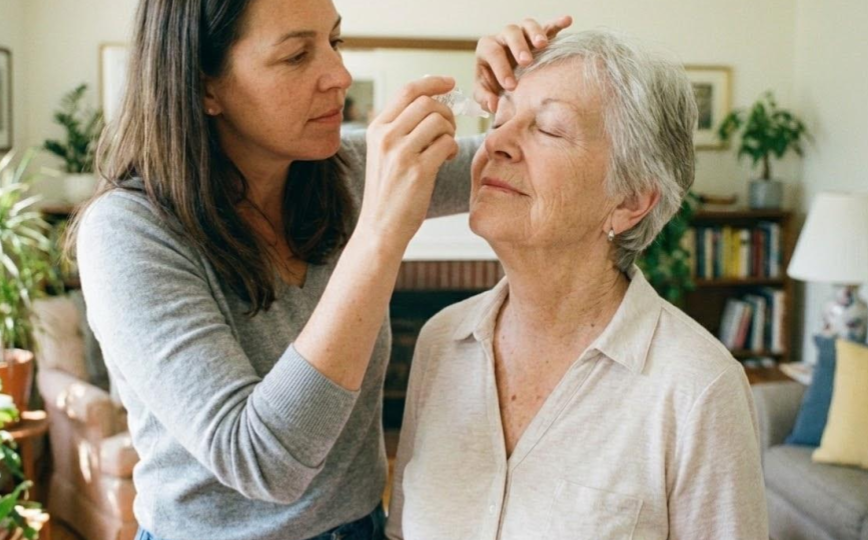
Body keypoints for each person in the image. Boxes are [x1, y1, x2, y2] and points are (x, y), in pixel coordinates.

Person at [69, 0, 570, 538]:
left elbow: (517, 164)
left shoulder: (344, 171)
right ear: (205, 86)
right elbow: (262, 463)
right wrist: (379, 232)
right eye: (295, 56)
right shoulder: (127, 231)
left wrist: (520, 95)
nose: (340, 76)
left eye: (335, 42)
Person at [386, 30, 769, 540]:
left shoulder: (698, 387)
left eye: (548, 129)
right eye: (498, 120)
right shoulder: (441, 341)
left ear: (630, 201)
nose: (495, 142)